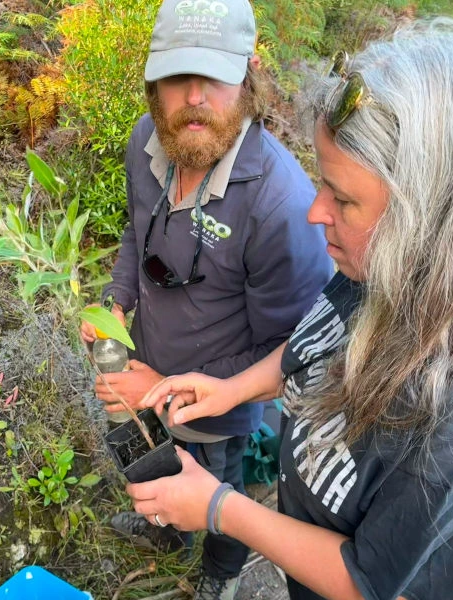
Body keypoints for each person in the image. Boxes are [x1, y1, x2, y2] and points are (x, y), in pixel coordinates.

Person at [126, 17, 453, 600]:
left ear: (435, 223)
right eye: (322, 184)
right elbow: (314, 340)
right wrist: (231, 389)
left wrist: (219, 508)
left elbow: (370, 580)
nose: (315, 213)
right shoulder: (377, 274)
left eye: (343, 199)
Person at [79, 0, 331, 597]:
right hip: (145, 371)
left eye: (213, 77)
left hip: (223, 407)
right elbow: (135, 235)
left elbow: (290, 351)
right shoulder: (147, 143)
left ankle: (219, 576)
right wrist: (114, 303)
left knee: (225, 491)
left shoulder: (281, 206)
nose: (194, 97)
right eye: (176, 78)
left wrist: (161, 385)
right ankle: (169, 532)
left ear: (245, 78)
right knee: (157, 458)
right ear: (153, 85)